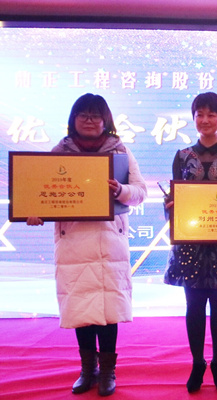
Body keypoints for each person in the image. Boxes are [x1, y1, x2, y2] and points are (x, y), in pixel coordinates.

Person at [26, 93, 148, 396]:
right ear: (73, 119)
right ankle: (87, 369)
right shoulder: (59, 152)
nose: (90, 120)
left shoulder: (120, 151)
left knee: (108, 309)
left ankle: (107, 371)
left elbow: (140, 192)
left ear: (106, 120)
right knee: (82, 308)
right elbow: (40, 193)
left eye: (96, 115)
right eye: (83, 115)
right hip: (74, 242)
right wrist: (34, 211)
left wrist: (120, 190)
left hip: (109, 241)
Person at [163, 92, 217, 393]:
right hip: (191, 245)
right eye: (199, 114)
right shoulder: (182, 155)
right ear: (193, 118)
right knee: (194, 306)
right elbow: (176, 202)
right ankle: (197, 362)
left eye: (211, 114)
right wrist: (170, 207)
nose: (205, 120)